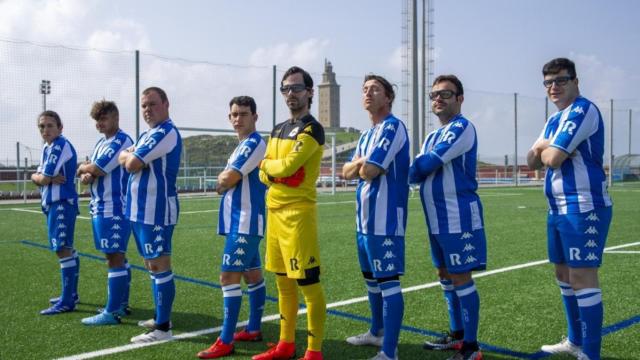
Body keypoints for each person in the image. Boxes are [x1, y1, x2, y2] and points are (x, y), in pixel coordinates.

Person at [527, 58, 612, 360]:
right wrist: (549, 145)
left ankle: (590, 353)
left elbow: (552, 160)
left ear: (576, 82)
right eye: (548, 83)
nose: (554, 87)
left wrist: (547, 149)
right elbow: (532, 159)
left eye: (561, 80)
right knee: (563, 273)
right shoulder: (555, 120)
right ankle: (575, 341)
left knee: (582, 278)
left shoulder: (582, 110)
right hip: (557, 209)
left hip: (584, 207)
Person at [409, 75, 485, 360]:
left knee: (460, 276)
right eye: (434, 95)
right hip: (436, 218)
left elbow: (424, 165)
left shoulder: (462, 127)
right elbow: (416, 170)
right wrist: (417, 168)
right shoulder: (432, 135)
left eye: (445, 94)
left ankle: (471, 347)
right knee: (444, 274)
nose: (438, 99)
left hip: (458, 217)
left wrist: (418, 167)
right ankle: (457, 335)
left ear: (460, 98)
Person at [254, 66, 326, 360]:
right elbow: (268, 171)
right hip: (274, 213)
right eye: (286, 88)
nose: (291, 94)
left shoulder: (312, 129)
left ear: (309, 92)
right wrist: (275, 171)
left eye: (297, 88)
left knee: (308, 284)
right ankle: (285, 345)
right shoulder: (277, 129)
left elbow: (283, 168)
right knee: (283, 283)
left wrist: (273, 170)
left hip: (298, 215)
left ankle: (314, 351)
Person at [342, 74, 409, 360]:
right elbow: (346, 173)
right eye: (365, 89)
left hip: (385, 221)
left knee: (388, 281)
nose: (368, 93)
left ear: (388, 97)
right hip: (364, 222)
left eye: (375, 89)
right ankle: (376, 331)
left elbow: (369, 171)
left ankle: (390, 352)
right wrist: (360, 163)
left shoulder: (393, 127)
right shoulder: (367, 134)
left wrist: (360, 165)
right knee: (371, 279)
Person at [197, 96, 267, 359]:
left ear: (255, 117)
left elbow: (228, 178)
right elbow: (224, 183)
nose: (238, 119)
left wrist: (224, 180)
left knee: (228, 278)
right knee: (253, 276)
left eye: (244, 114)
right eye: (234, 115)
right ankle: (253, 329)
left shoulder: (254, 143)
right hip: (240, 221)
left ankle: (225, 341)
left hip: (245, 222)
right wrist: (224, 181)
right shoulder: (240, 146)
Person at [118, 87, 182, 343]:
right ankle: (160, 316)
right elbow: (126, 156)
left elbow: (131, 163)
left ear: (166, 104)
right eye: (144, 106)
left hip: (157, 210)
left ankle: (163, 328)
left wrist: (128, 156)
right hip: (139, 210)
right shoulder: (148, 134)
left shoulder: (166, 132)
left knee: (159, 264)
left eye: (152, 104)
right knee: (150, 264)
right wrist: (128, 155)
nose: (147, 110)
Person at [77, 100, 134, 325]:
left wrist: (85, 169)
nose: (100, 123)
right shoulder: (102, 142)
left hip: (115, 207)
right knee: (115, 255)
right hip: (101, 205)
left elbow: (97, 168)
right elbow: (92, 172)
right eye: (97, 120)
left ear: (115, 118)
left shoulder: (121, 140)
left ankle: (112, 311)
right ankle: (120, 303)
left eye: (104, 118)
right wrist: (86, 173)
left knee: (114, 256)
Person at [32, 110, 80, 315]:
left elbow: (44, 177)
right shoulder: (47, 147)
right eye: (42, 126)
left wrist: (42, 177)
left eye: (50, 125)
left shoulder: (60, 145)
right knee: (66, 247)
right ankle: (70, 294)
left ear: (60, 128)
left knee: (62, 249)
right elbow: (38, 176)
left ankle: (68, 301)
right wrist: (40, 176)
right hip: (53, 203)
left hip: (61, 203)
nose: (45, 130)